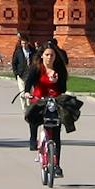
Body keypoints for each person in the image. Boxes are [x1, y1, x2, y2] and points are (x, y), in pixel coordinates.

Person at [25, 46, 69, 175]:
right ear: (42, 56)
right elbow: (29, 82)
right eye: (47, 55)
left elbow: (63, 88)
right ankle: (33, 139)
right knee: (32, 116)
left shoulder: (59, 69)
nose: (50, 57)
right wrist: (28, 92)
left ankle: (57, 165)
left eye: (52, 55)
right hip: (39, 99)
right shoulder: (37, 68)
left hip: (55, 100)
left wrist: (56, 82)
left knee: (56, 134)